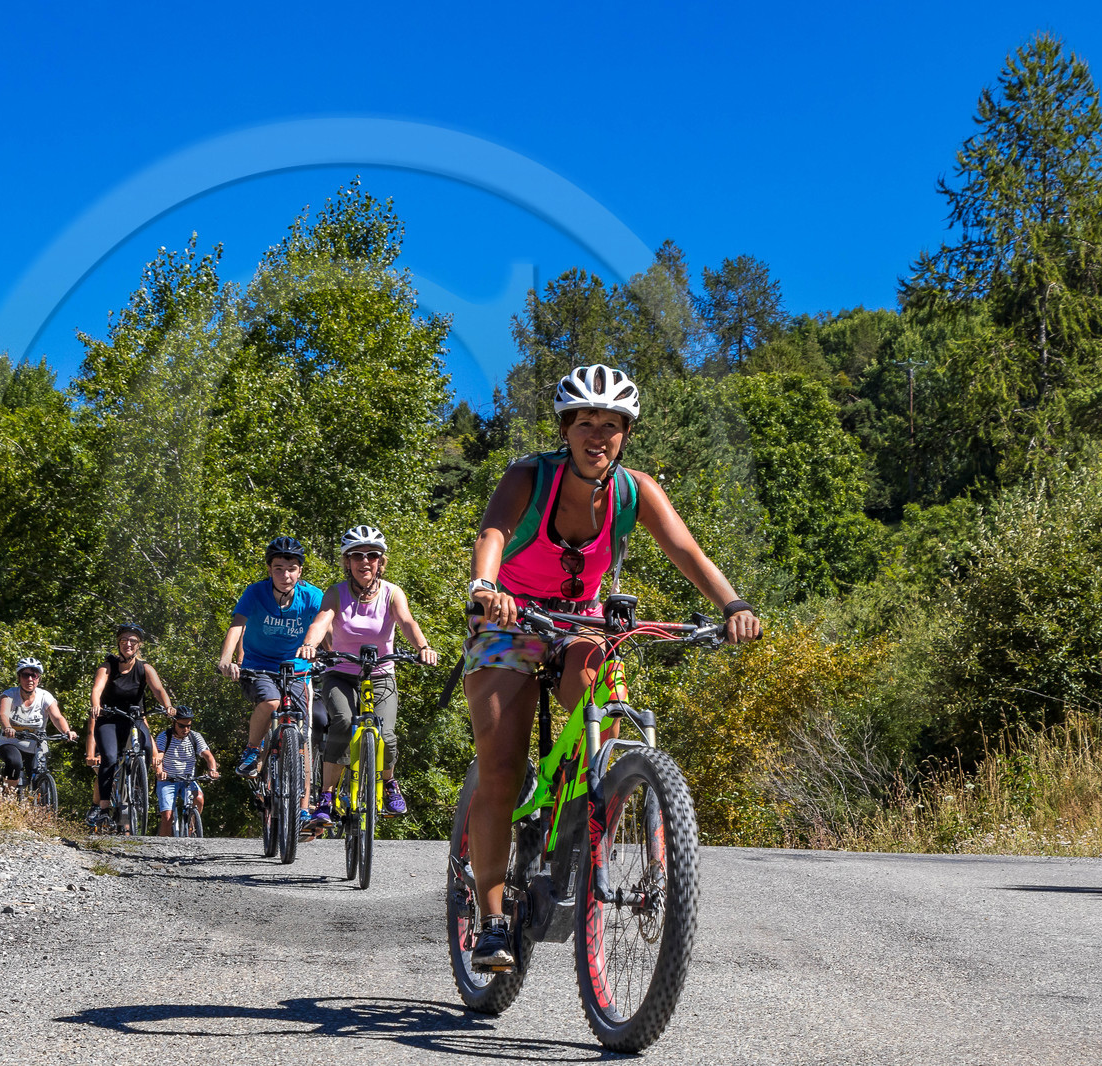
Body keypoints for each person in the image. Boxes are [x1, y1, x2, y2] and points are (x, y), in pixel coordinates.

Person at [462, 364, 762, 971]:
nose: (598, 435)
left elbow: (686, 549)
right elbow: (494, 530)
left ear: (626, 433)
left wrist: (732, 604)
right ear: (566, 428)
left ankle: (583, 834)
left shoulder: (635, 490)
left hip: (584, 620)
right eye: (586, 423)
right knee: (499, 764)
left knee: (604, 724)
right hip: (510, 616)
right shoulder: (530, 476)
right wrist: (486, 584)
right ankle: (491, 919)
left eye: (612, 425)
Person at [297, 525, 438, 825]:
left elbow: (407, 622)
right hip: (341, 673)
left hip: (381, 675)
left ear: (380, 561)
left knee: (385, 734)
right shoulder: (336, 593)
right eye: (357, 555)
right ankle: (326, 797)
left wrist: (423, 647)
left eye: (372, 555)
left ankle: (388, 784)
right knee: (343, 723)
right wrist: (309, 645)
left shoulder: (391, 593)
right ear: (347, 561)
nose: (365, 561)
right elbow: (322, 621)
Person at [216, 535, 323, 838]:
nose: (285, 575)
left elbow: (325, 627)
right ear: (269, 569)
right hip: (258, 666)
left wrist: (332, 655)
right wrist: (226, 659)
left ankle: (302, 811)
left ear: (300, 571)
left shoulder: (312, 596)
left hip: (298, 671)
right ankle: (252, 751)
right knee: (272, 703)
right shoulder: (255, 593)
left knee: (302, 741)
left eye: (291, 568)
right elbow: (237, 625)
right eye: (278, 568)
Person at [85, 622, 173, 828]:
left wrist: (168, 706)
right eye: (124, 640)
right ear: (118, 643)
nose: (128, 644)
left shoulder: (145, 669)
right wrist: (96, 706)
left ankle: (137, 787)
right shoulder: (107, 667)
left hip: (133, 718)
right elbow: (97, 689)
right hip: (109, 718)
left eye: (133, 641)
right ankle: (104, 808)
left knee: (148, 748)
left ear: (139, 645)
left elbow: (158, 690)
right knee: (108, 758)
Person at [0, 658, 78, 792]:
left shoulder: (45, 696)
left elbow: (57, 717)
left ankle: (41, 809)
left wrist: (67, 731)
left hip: (36, 744)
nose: (30, 679)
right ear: (19, 677)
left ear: (38, 679)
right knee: (14, 763)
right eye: (25, 675)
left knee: (40, 777)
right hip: (11, 742)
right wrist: (8, 727)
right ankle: (6, 798)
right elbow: (3, 715)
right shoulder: (9, 695)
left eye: (34, 675)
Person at [155, 705, 219, 835]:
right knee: (167, 817)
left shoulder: (195, 737)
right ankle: (162, 846)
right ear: (174, 723)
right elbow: (158, 757)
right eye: (182, 726)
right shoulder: (164, 737)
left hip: (188, 780)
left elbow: (208, 756)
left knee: (199, 798)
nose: (186, 729)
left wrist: (212, 770)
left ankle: (192, 827)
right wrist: (159, 771)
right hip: (168, 780)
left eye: (188, 726)